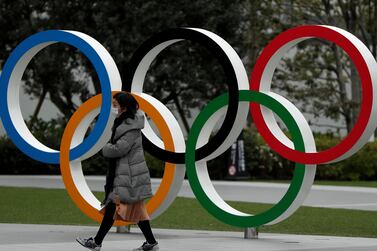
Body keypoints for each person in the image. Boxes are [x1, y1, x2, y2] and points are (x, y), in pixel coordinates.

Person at [76, 92, 159, 251]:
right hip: (126, 174)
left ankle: (96, 243)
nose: (113, 108)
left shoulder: (130, 127)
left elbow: (120, 149)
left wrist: (104, 148)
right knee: (136, 211)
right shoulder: (125, 123)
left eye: (115, 105)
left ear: (124, 107)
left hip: (128, 176)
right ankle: (151, 243)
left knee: (112, 207)